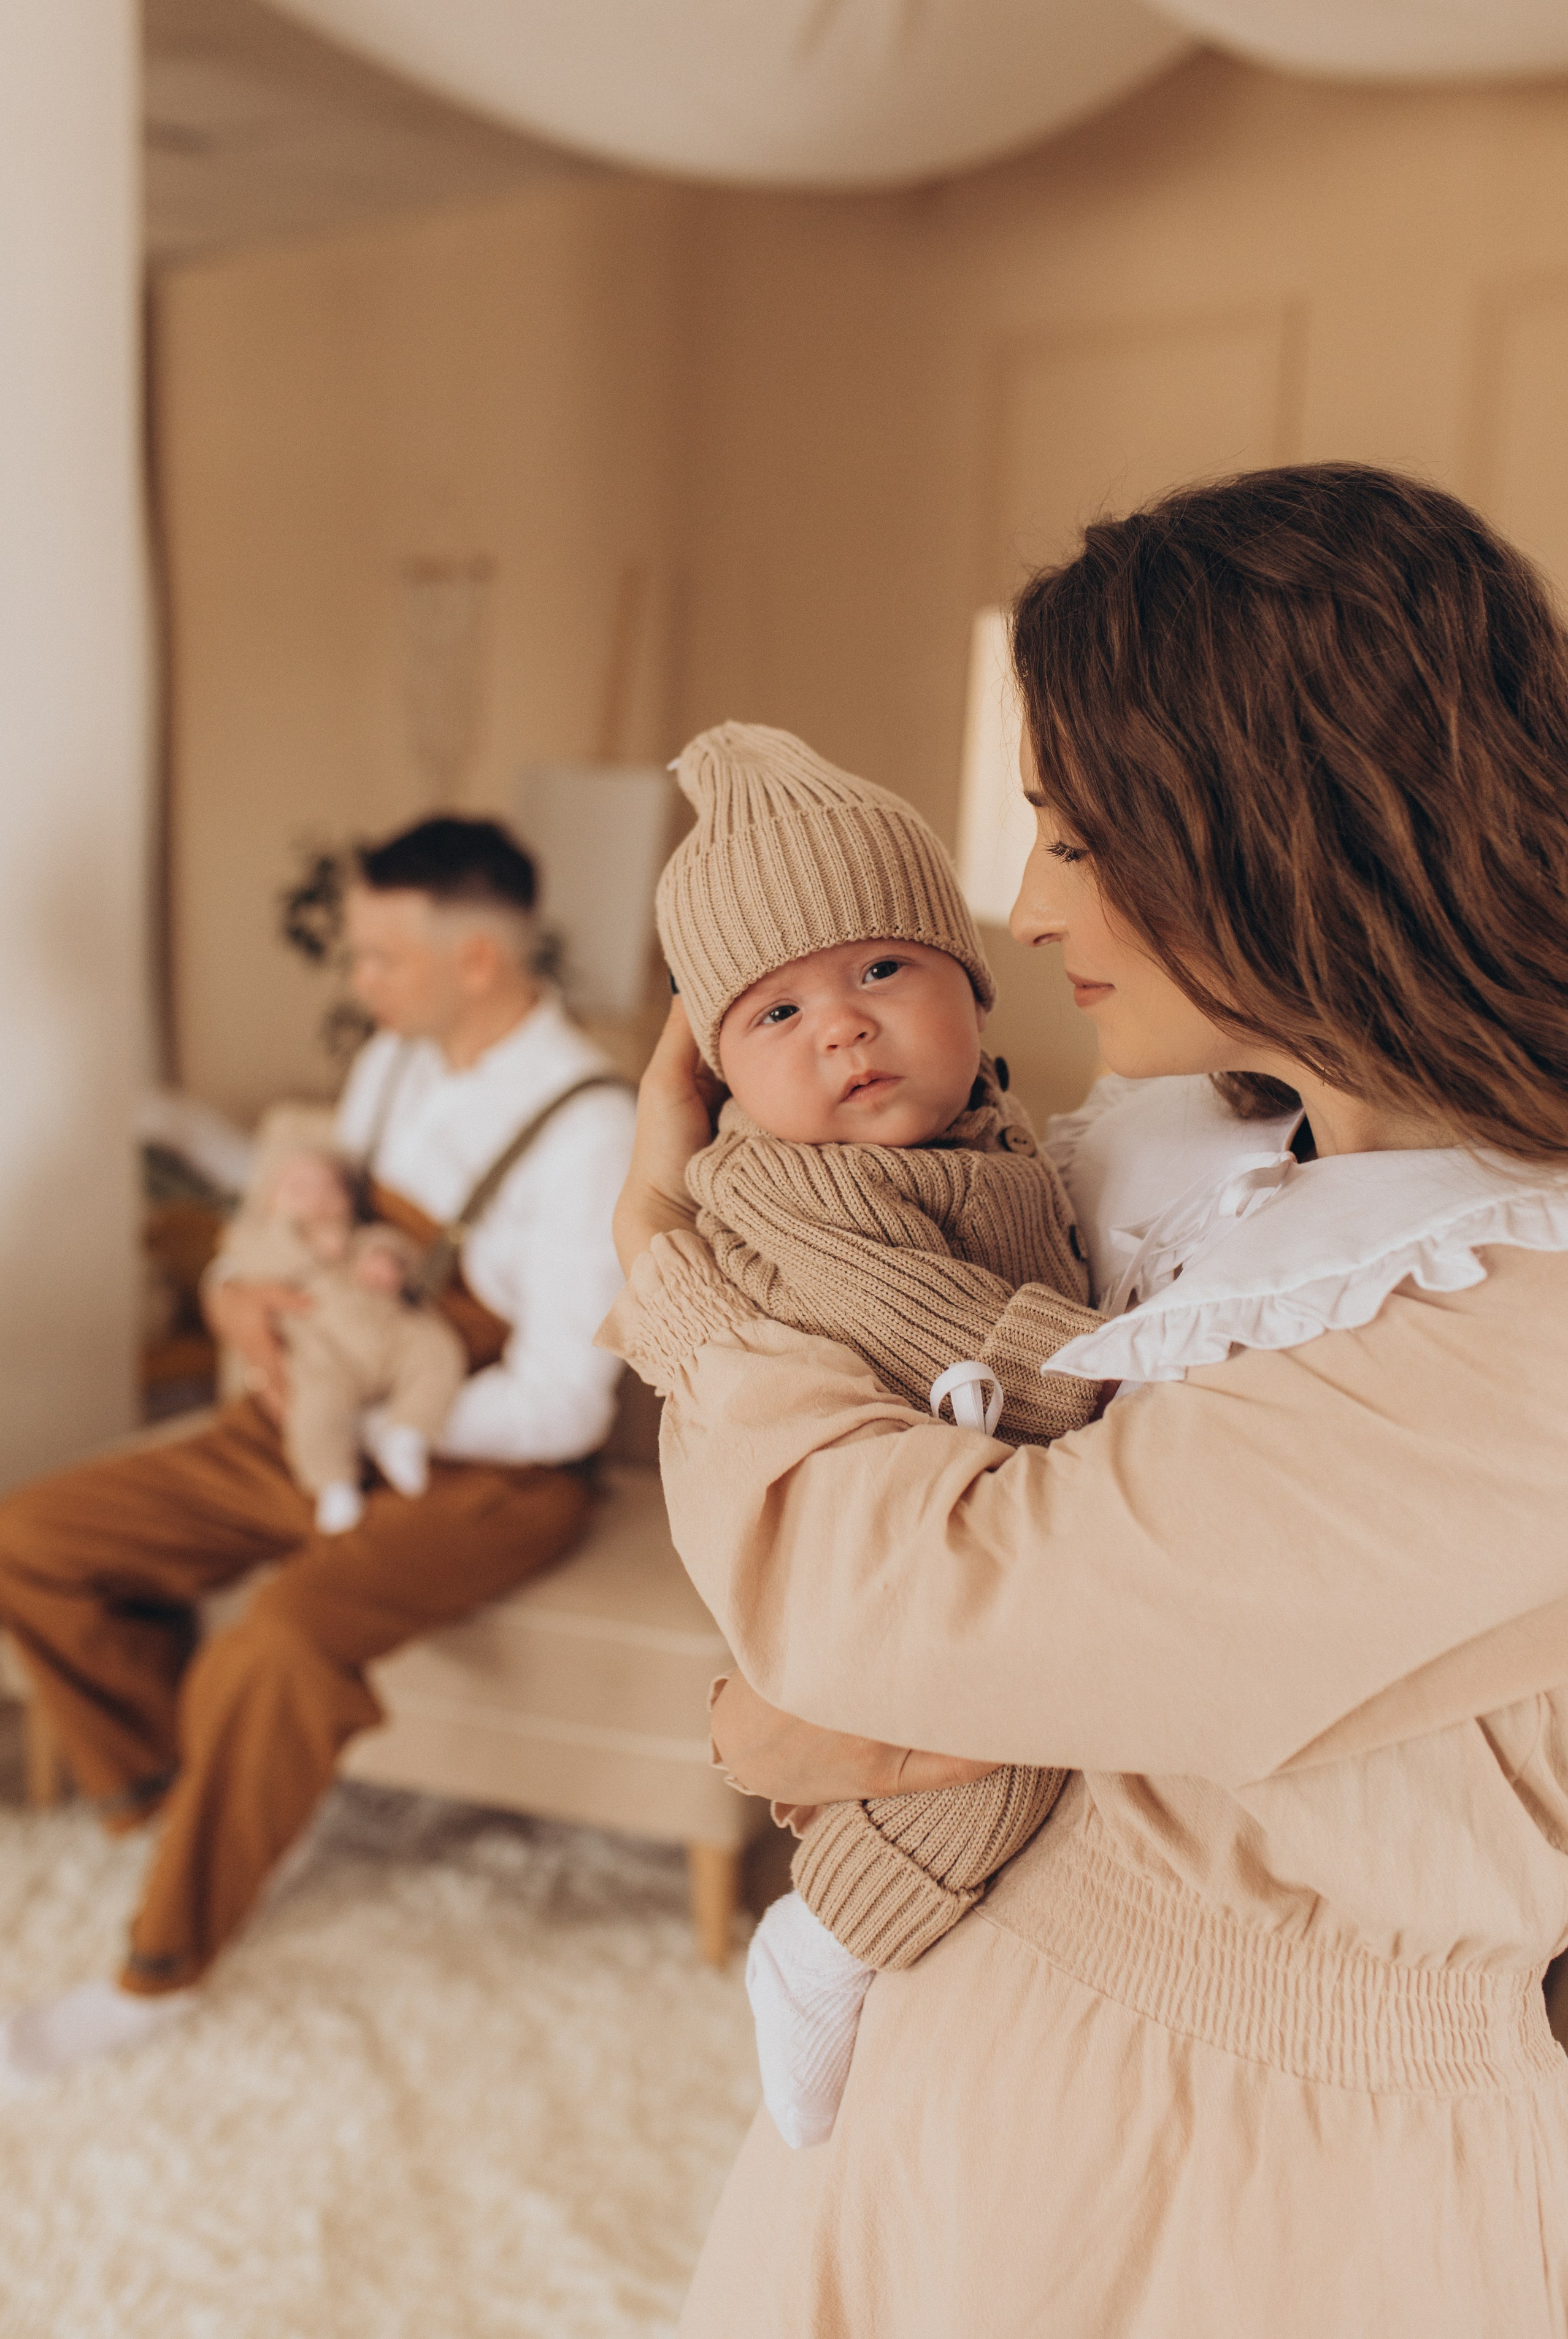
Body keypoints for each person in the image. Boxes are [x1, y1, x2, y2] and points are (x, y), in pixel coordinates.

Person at [603, 466, 1568, 2336]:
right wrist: (788, 1718)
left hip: (1260, 2184)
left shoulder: (1514, 1326)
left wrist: (666, 1263)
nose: (1027, 906)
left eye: (1072, 832)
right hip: (967, 2043)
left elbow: (919, 1600)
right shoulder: (1157, 1156)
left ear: (1274, 827)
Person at [0, 815, 635, 2080]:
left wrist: (377, 1406)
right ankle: (176, 1794)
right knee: (26, 1542)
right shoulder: (394, 1065)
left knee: (279, 1640)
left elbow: (565, 1400)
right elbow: (298, 1219)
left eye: (378, 957)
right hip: (304, 1415)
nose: (357, 983)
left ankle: (157, 1970)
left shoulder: (588, 1130)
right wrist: (243, 1294)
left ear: (474, 961)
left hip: (486, 1466)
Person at [649, 720, 1102, 2150]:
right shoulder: (790, 1185)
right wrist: (1075, 1375)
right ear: (716, 1076)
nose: (841, 1024)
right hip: (852, 1532)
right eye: (772, 1016)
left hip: (941, 1512)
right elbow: (924, 1316)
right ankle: (824, 1937)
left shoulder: (1000, 1137)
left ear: (967, 984)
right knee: (1008, 1751)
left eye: (879, 970)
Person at [212, 1147, 467, 1534]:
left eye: (329, 1190)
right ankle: (333, 1485)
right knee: (313, 1411)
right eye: (299, 1190)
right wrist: (300, 1239)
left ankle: (409, 1432)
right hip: (324, 1357)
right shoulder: (262, 1240)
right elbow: (240, 1267)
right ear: (269, 1202)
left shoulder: (359, 1238)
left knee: (438, 1349)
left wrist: (384, 1259)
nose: (316, 1200)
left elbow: (396, 1247)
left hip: (391, 1334)